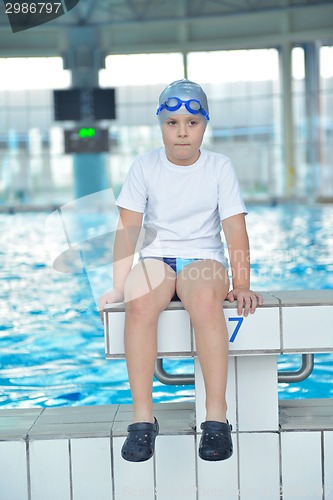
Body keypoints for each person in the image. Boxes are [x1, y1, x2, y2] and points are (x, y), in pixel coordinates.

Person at [99, 79, 263, 463]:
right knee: (138, 304)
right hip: (157, 258)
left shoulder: (219, 167)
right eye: (172, 123)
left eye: (192, 122)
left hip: (202, 257)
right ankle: (142, 421)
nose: (182, 132)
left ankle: (216, 419)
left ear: (205, 124)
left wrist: (241, 284)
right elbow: (128, 232)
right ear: (161, 125)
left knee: (205, 303)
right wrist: (117, 288)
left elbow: (235, 231)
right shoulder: (144, 166)